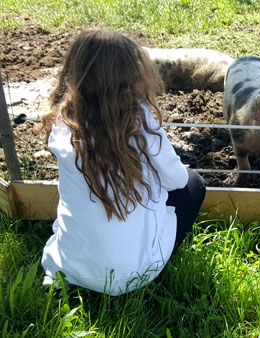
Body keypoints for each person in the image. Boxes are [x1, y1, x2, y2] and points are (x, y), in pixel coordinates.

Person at [40, 28, 206, 295]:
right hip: (134, 274)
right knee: (194, 185)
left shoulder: (62, 123)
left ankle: (72, 280)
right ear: (129, 76)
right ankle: (150, 263)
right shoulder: (138, 119)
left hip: (70, 268)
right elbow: (177, 179)